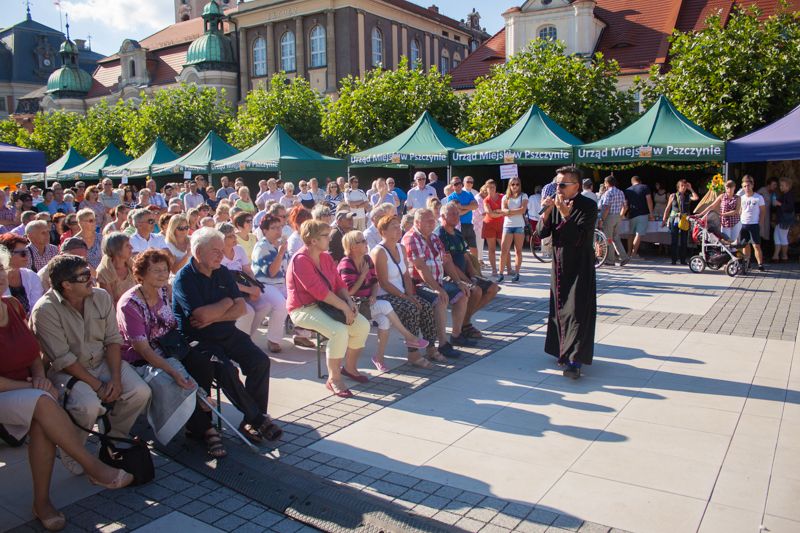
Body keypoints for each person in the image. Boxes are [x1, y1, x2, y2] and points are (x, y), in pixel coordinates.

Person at [0, 249, 133, 532]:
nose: (1, 275)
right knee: (44, 402)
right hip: (10, 390)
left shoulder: (12, 305)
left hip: (28, 389)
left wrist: (38, 376)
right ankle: (90, 465)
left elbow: (32, 352)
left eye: (0, 269)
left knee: (42, 416)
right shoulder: (45, 308)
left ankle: (42, 501)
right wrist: (33, 385)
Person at [30, 255, 151, 474]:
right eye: (84, 276)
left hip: (103, 362)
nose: (92, 278)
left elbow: (113, 340)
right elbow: (64, 359)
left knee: (140, 391)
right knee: (87, 406)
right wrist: (98, 386)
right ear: (66, 285)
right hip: (67, 372)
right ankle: (73, 452)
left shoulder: (101, 296)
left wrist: (115, 378)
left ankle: (115, 436)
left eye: (90, 272)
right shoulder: (45, 310)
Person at [172, 227, 281, 442]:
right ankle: (258, 420)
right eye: (215, 250)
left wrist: (215, 314)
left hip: (226, 332)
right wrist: (227, 302)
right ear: (198, 252)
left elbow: (240, 308)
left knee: (260, 361)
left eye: (222, 250)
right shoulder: (184, 279)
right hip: (198, 340)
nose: (221, 255)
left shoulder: (222, 272)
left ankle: (251, 421)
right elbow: (199, 316)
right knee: (227, 370)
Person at [116, 249, 226, 455]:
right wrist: (174, 371)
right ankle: (207, 429)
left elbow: (171, 325)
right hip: (143, 358)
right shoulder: (129, 304)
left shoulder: (164, 291)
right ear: (140, 275)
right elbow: (143, 349)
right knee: (177, 381)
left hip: (170, 347)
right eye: (155, 270)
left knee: (203, 364)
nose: (162, 274)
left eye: (165, 269)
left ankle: (197, 425)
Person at [287, 220, 370, 397]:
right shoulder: (300, 260)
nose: (330, 239)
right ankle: (334, 379)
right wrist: (345, 308)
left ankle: (350, 368)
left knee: (362, 325)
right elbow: (319, 292)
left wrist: (349, 301)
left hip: (327, 305)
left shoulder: (325, 257)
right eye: (325, 235)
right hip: (303, 308)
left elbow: (338, 283)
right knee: (338, 331)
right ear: (313, 240)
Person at [537, 166, 597, 379]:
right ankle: (560, 350)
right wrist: (546, 213)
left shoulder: (589, 206)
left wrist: (565, 215)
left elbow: (579, 238)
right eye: (556, 184)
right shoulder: (555, 203)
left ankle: (575, 360)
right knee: (559, 308)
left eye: (562, 185)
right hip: (559, 264)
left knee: (576, 311)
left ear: (576, 186)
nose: (558, 189)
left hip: (580, 265)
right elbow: (542, 233)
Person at [339, 229, 429, 371]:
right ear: (352, 247)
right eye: (362, 241)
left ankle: (379, 358)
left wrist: (374, 295)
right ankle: (411, 338)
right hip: (352, 307)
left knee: (385, 321)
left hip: (367, 303)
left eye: (364, 240)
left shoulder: (367, 259)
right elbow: (349, 291)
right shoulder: (346, 264)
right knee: (386, 305)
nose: (366, 243)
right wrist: (362, 276)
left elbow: (375, 282)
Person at [403, 208, 475, 357]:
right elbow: (420, 267)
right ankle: (442, 343)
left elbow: (447, 261)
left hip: (437, 280)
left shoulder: (434, 238)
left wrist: (459, 281)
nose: (432, 223)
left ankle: (456, 335)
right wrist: (437, 289)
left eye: (433, 220)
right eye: (428, 221)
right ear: (417, 222)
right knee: (440, 299)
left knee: (462, 293)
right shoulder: (412, 238)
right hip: (417, 284)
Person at [371, 215, 440, 366]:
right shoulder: (379, 252)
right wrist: (405, 297)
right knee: (411, 309)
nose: (398, 230)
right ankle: (413, 354)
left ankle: (430, 347)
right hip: (385, 295)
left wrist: (411, 295)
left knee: (426, 306)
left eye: (398, 226)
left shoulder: (401, 248)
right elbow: (383, 282)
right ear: (383, 232)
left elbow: (406, 275)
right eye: (394, 227)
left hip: (402, 293)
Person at [437, 202, 499, 336]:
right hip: (449, 276)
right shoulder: (441, 234)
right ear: (443, 216)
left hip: (464, 274)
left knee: (492, 288)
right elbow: (448, 263)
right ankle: (464, 326)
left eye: (457, 214)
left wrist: (474, 274)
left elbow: (466, 256)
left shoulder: (458, 233)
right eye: (452, 214)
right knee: (475, 290)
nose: (456, 216)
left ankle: (465, 322)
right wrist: (466, 280)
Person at [218, 222, 272, 338]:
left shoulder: (239, 250)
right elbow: (227, 283)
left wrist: (254, 286)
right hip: (227, 293)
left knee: (265, 305)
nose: (234, 238)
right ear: (221, 239)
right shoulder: (218, 255)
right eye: (230, 236)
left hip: (243, 289)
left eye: (234, 235)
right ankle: (241, 343)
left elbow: (248, 271)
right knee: (248, 312)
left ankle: (247, 339)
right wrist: (250, 290)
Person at [251, 215, 291, 353]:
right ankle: (273, 340)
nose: (278, 230)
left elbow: (286, 270)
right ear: (265, 231)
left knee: (299, 298)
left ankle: (301, 333)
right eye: (273, 228)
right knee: (281, 304)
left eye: (279, 227)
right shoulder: (262, 247)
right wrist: (280, 254)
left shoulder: (280, 245)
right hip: (265, 285)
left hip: (281, 284)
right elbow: (271, 273)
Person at [0, 234, 44, 314]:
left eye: (27, 252)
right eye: (23, 253)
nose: (27, 256)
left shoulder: (31, 276)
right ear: (7, 255)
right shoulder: (1, 280)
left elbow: (36, 307)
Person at [662, 179, 699, 266]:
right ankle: (674, 260)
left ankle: (683, 260)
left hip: (684, 219)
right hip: (674, 218)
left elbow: (696, 198)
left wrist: (691, 189)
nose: (684, 187)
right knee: (674, 240)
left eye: (685, 186)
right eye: (682, 186)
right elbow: (668, 208)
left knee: (684, 240)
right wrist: (664, 219)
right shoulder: (673, 196)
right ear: (678, 187)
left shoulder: (688, 196)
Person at [499, 177, 528, 282]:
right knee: (504, 250)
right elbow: (503, 210)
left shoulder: (524, 196)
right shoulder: (505, 197)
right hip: (507, 225)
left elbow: (523, 210)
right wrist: (515, 211)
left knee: (518, 251)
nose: (515, 186)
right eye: (513, 184)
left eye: (517, 184)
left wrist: (509, 211)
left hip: (519, 226)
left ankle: (517, 273)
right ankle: (500, 273)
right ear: (509, 185)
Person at [96, 232, 136, 305]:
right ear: (117, 249)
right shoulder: (104, 273)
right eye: (127, 245)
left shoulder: (133, 267)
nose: (132, 247)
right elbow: (109, 304)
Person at [598, 175, 629, 267]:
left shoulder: (608, 193)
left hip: (609, 216)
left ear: (607, 183)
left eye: (605, 182)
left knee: (608, 239)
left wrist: (602, 219)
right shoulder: (620, 192)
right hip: (618, 216)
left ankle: (610, 260)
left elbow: (606, 207)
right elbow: (625, 206)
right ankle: (624, 257)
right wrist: (621, 215)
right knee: (616, 238)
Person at [736, 175, 766, 271]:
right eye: (744, 186)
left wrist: (760, 223)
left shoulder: (758, 197)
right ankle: (747, 262)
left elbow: (763, 211)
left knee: (756, 245)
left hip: (754, 224)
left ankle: (760, 264)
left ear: (752, 185)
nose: (747, 188)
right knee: (745, 245)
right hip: (743, 224)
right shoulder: (741, 198)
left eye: (748, 185)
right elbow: (739, 211)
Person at [445, 176, 479, 256]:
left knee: (474, 249)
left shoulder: (468, 193)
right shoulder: (451, 197)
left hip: (469, 225)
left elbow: (476, 206)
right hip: (458, 226)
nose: (459, 185)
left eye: (460, 183)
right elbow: (457, 213)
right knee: (461, 249)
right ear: (452, 186)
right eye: (456, 184)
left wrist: (462, 207)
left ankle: (475, 266)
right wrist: (469, 208)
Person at [624, 176, 655, 259]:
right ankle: (634, 254)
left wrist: (624, 214)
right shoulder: (645, 187)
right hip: (643, 214)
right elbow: (649, 201)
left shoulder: (627, 190)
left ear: (632, 182)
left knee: (630, 234)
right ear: (639, 181)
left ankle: (628, 253)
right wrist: (651, 214)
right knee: (638, 234)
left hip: (631, 214)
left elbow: (625, 204)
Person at [481, 180, 505, 279]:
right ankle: (494, 269)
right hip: (489, 225)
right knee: (492, 249)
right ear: (486, 188)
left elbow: (506, 210)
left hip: (501, 225)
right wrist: (500, 212)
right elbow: (490, 213)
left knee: (504, 248)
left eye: (493, 187)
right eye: (489, 187)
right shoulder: (486, 200)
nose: (491, 189)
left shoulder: (502, 197)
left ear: (495, 187)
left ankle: (507, 268)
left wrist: (497, 212)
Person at [772, 177, 795, 262]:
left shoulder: (789, 195)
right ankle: (776, 256)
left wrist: (779, 204)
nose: (780, 187)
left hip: (785, 220)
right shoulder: (785, 195)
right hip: (781, 220)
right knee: (777, 237)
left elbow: (790, 207)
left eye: (782, 185)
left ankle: (784, 256)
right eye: (780, 185)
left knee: (782, 237)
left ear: (788, 186)